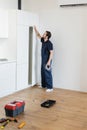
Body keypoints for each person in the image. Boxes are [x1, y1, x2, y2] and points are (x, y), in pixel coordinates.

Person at [34, 26, 53, 92]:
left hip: (47, 60)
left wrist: (48, 62)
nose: (43, 34)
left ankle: (50, 87)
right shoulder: (43, 40)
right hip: (43, 60)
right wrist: (35, 29)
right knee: (42, 72)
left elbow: (51, 53)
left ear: (47, 36)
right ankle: (44, 85)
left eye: (44, 34)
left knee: (47, 73)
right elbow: (38, 35)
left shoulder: (49, 43)